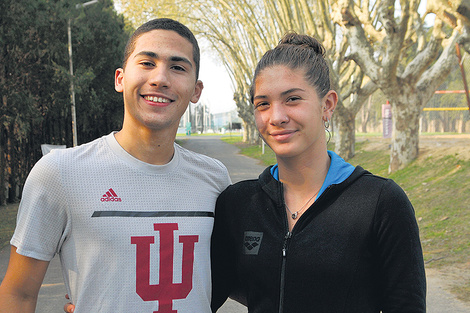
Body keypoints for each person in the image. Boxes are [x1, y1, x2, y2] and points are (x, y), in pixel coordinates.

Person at [0, 18, 231, 313]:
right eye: (147, 63)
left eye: (177, 67)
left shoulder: (214, 178)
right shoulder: (59, 173)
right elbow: (18, 293)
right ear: (120, 79)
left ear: (196, 91)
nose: (160, 78)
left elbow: (223, 280)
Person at [210, 32, 426, 312]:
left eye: (292, 99)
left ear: (327, 105)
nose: (276, 117)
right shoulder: (238, 204)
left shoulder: (381, 202)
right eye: (263, 103)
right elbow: (203, 295)